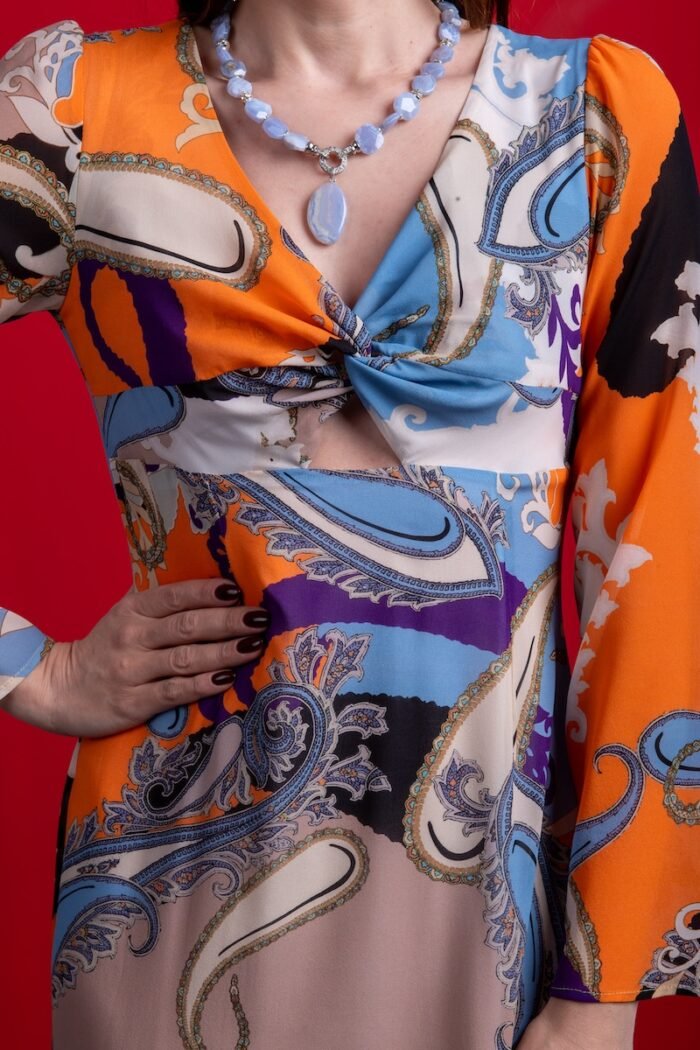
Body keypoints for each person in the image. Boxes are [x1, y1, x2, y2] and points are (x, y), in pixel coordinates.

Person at [0, 0, 698, 1046]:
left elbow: (661, 535)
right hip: (168, 886)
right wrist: (30, 669)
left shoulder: (593, 115)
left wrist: (600, 985)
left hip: (497, 915)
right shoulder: (69, 109)